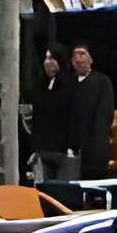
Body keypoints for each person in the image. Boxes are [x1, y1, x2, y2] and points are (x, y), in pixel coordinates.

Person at [64, 42, 117, 181]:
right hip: (72, 149)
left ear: (91, 59)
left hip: (95, 146)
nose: (78, 59)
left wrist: (97, 143)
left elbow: (104, 115)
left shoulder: (101, 82)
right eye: (74, 55)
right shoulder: (68, 83)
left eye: (82, 54)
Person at [29, 47, 72, 184]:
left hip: (62, 151)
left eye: (52, 58)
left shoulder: (69, 85)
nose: (47, 62)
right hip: (42, 150)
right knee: (41, 187)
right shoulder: (42, 86)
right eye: (46, 58)